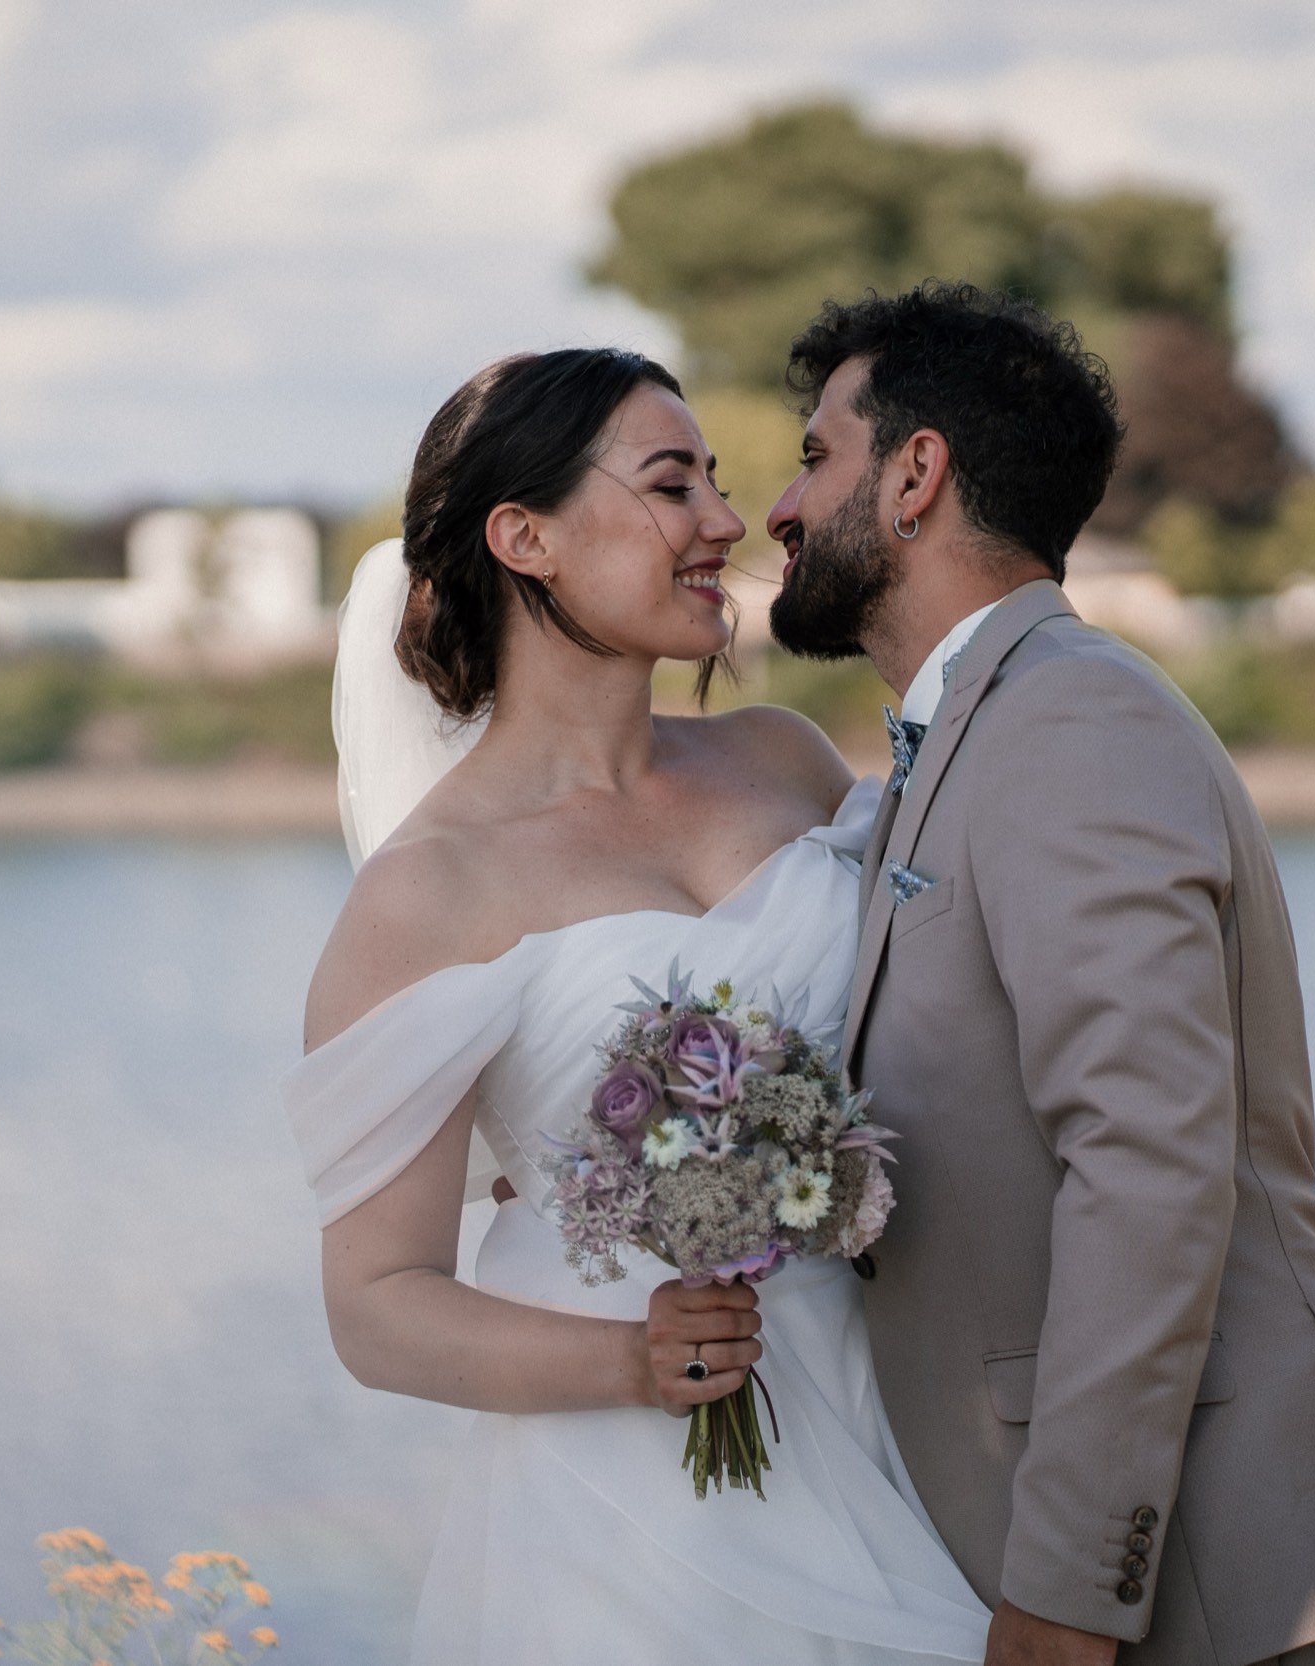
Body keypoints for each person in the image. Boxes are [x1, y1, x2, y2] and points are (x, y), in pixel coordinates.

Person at [764, 282, 1315, 1666]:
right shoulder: (980, 729)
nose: (782, 510)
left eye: (814, 456)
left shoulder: (1070, 720)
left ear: (916, 476)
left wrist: (1069, 1595)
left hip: (1224, 1577)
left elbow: (1149, 1163)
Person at [285, 346, 993, 1663]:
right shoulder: (430, 893)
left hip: (897, 1413)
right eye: (675, 484)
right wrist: (632, 1363)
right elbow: (376, 1303)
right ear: (526, 536)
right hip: (638, 1519)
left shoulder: (783, 760)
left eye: (720, 484)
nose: (728, 521)